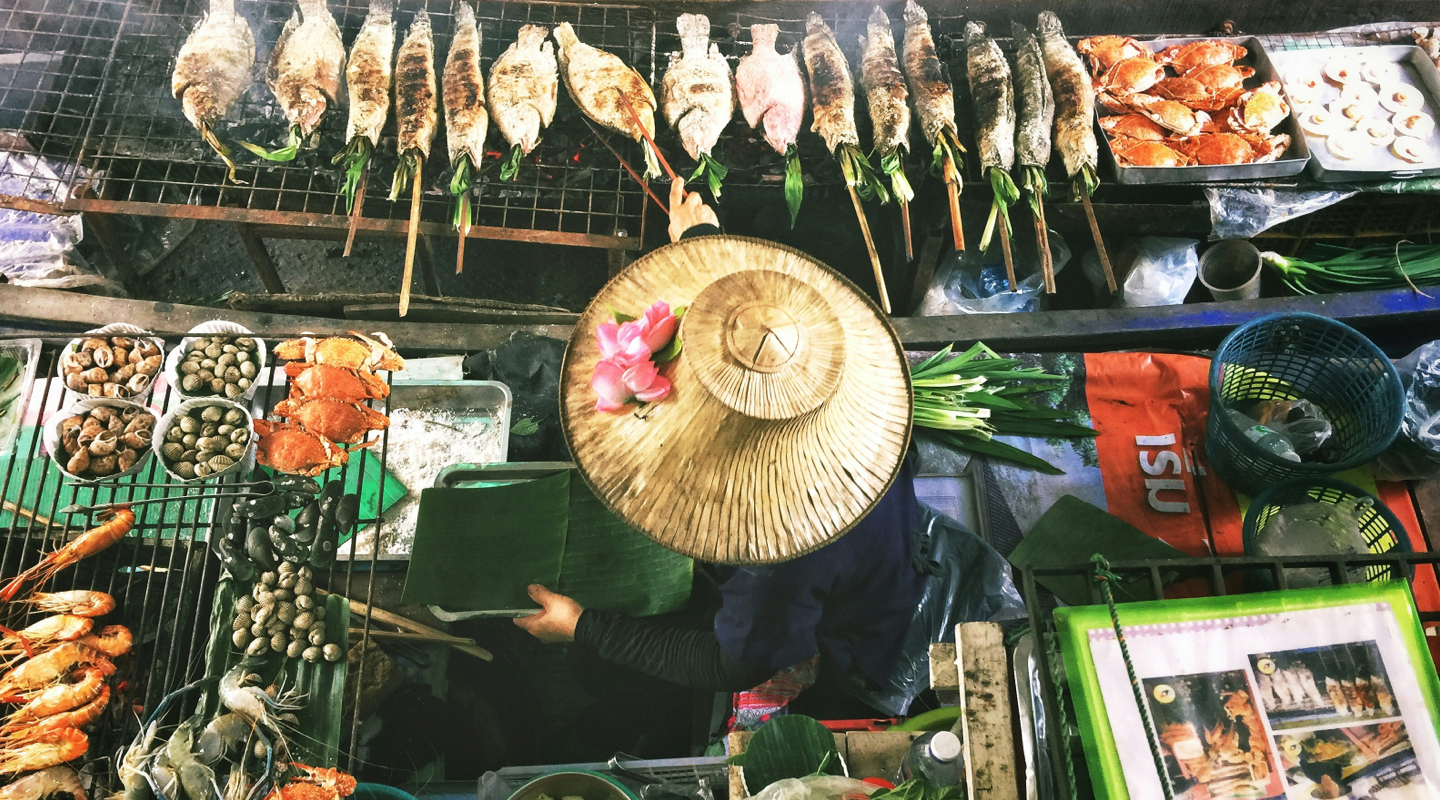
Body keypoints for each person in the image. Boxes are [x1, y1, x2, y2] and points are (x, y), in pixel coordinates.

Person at [516, 180, 930, 732]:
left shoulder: (775, 551)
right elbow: (753, 337)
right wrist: (702, 240)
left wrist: (583, 627)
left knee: (597, 671)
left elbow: (727, 662)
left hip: (864, 620)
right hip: (875, 531)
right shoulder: (831, 359)